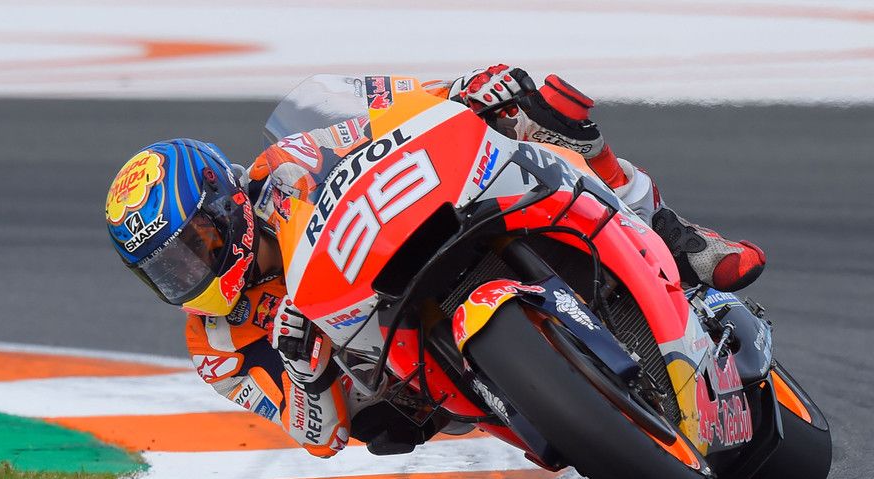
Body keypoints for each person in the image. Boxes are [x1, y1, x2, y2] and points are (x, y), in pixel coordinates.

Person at [104, 65, 766, 458]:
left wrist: (464, 91)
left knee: (533, 119)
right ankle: (549, 403)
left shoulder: (288, 163)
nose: (189, 273)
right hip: (392, 374)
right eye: (167, 270)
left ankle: (677, 237)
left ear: (226, 205)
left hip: (411, 232)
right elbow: (318, 437)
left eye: (194, 245)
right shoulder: (216, 345)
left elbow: (391, 112)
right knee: (381, 427)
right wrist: (305, 373)